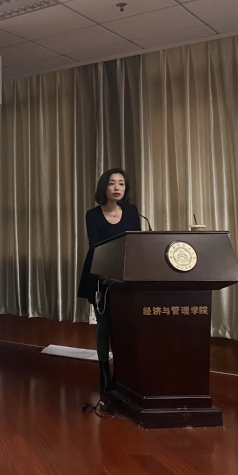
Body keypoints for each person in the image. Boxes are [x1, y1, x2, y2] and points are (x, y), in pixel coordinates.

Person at [77, 168, 142, 394]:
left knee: (123, 327)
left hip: (126, 277)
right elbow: (96, 246)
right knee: (104, 326)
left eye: (121, 184)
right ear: (103, 187)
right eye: (112, 183)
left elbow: (137, 244)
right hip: (100, 276)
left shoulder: (132, 212)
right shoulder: (92, 215)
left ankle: (122, 373)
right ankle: (104, 373)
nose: (117, 188)